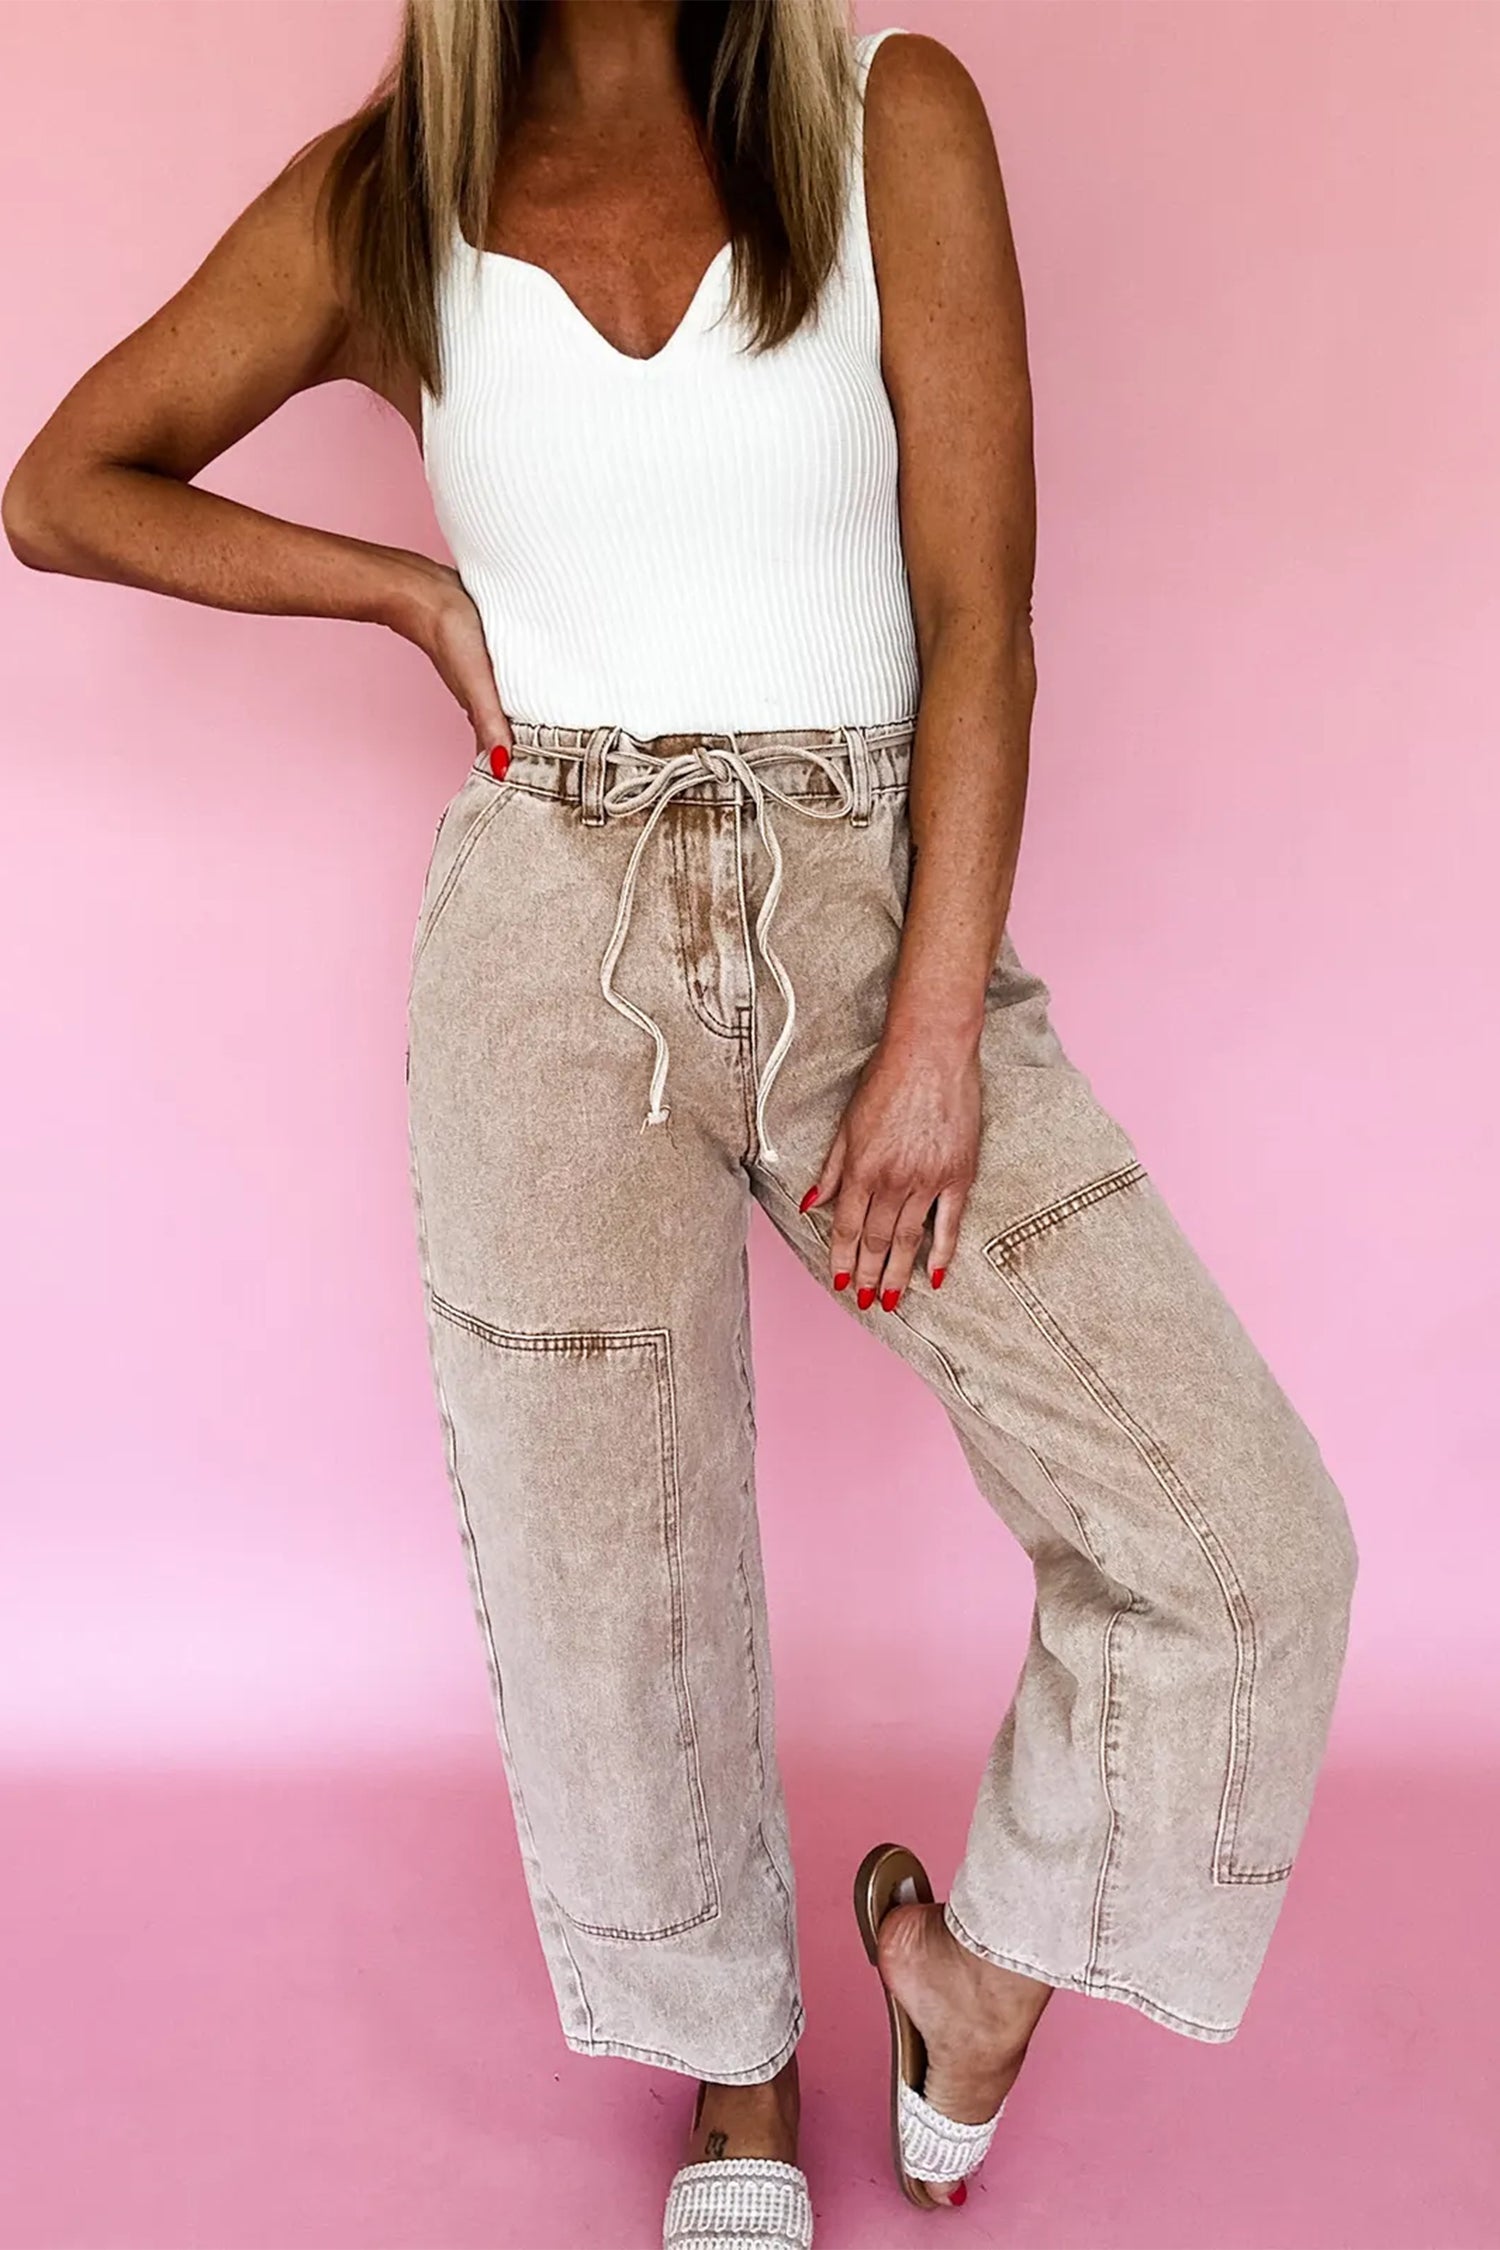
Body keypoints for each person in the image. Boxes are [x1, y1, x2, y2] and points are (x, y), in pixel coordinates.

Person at [3, 4, 1359, 2244]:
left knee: (1238, 1537)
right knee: (607, 1579)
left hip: (863, 913)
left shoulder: (888, 116)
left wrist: (936, 1026)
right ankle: (737, 2075)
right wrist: (407, 593)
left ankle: (980, 1974)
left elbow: (984, 618)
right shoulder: (385, 202)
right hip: (549, 935)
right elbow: (64, 485)